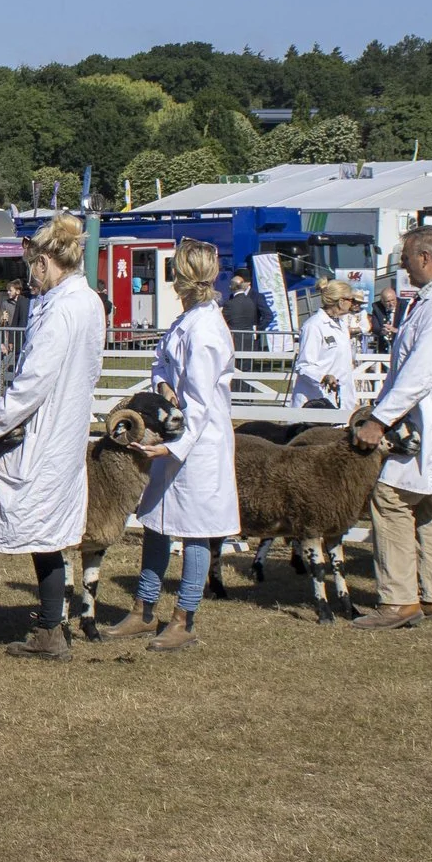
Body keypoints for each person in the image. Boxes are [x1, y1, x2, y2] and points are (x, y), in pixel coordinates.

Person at [110, 239, 237, 650]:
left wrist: (172, 448)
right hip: (174, 431)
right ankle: (144, 610)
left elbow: (199, 402)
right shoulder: (187, 320)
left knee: (195, 531)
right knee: (157, 523)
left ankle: (185, 617)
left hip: (197, 445)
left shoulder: (206, 331)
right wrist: (163, 385)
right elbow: (161, 363)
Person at [355, 225, 432, 628]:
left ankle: (398, 600)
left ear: (425, 257)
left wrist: (378, 420)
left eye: (407, 259)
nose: (405, 267)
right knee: (427, 505)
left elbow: (421, 371)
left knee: (391, 498)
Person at [0, 215, 108, 660]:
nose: (28, 277)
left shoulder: (61, 309)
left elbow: (32, 383)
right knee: (49, 533)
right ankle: (51, 626)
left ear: (43, 263)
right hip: (66, 430)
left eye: (31, 267)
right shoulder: (89, 303)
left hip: (42, 433)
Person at [290, 279, 360, 408]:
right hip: (315, 399)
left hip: (340, 397)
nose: (353, 304)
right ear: (341, 301)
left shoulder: (342, 325)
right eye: (351, 300)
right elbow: (304, 365)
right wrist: (323, 377)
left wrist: (351, 399)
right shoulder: (314, 326)